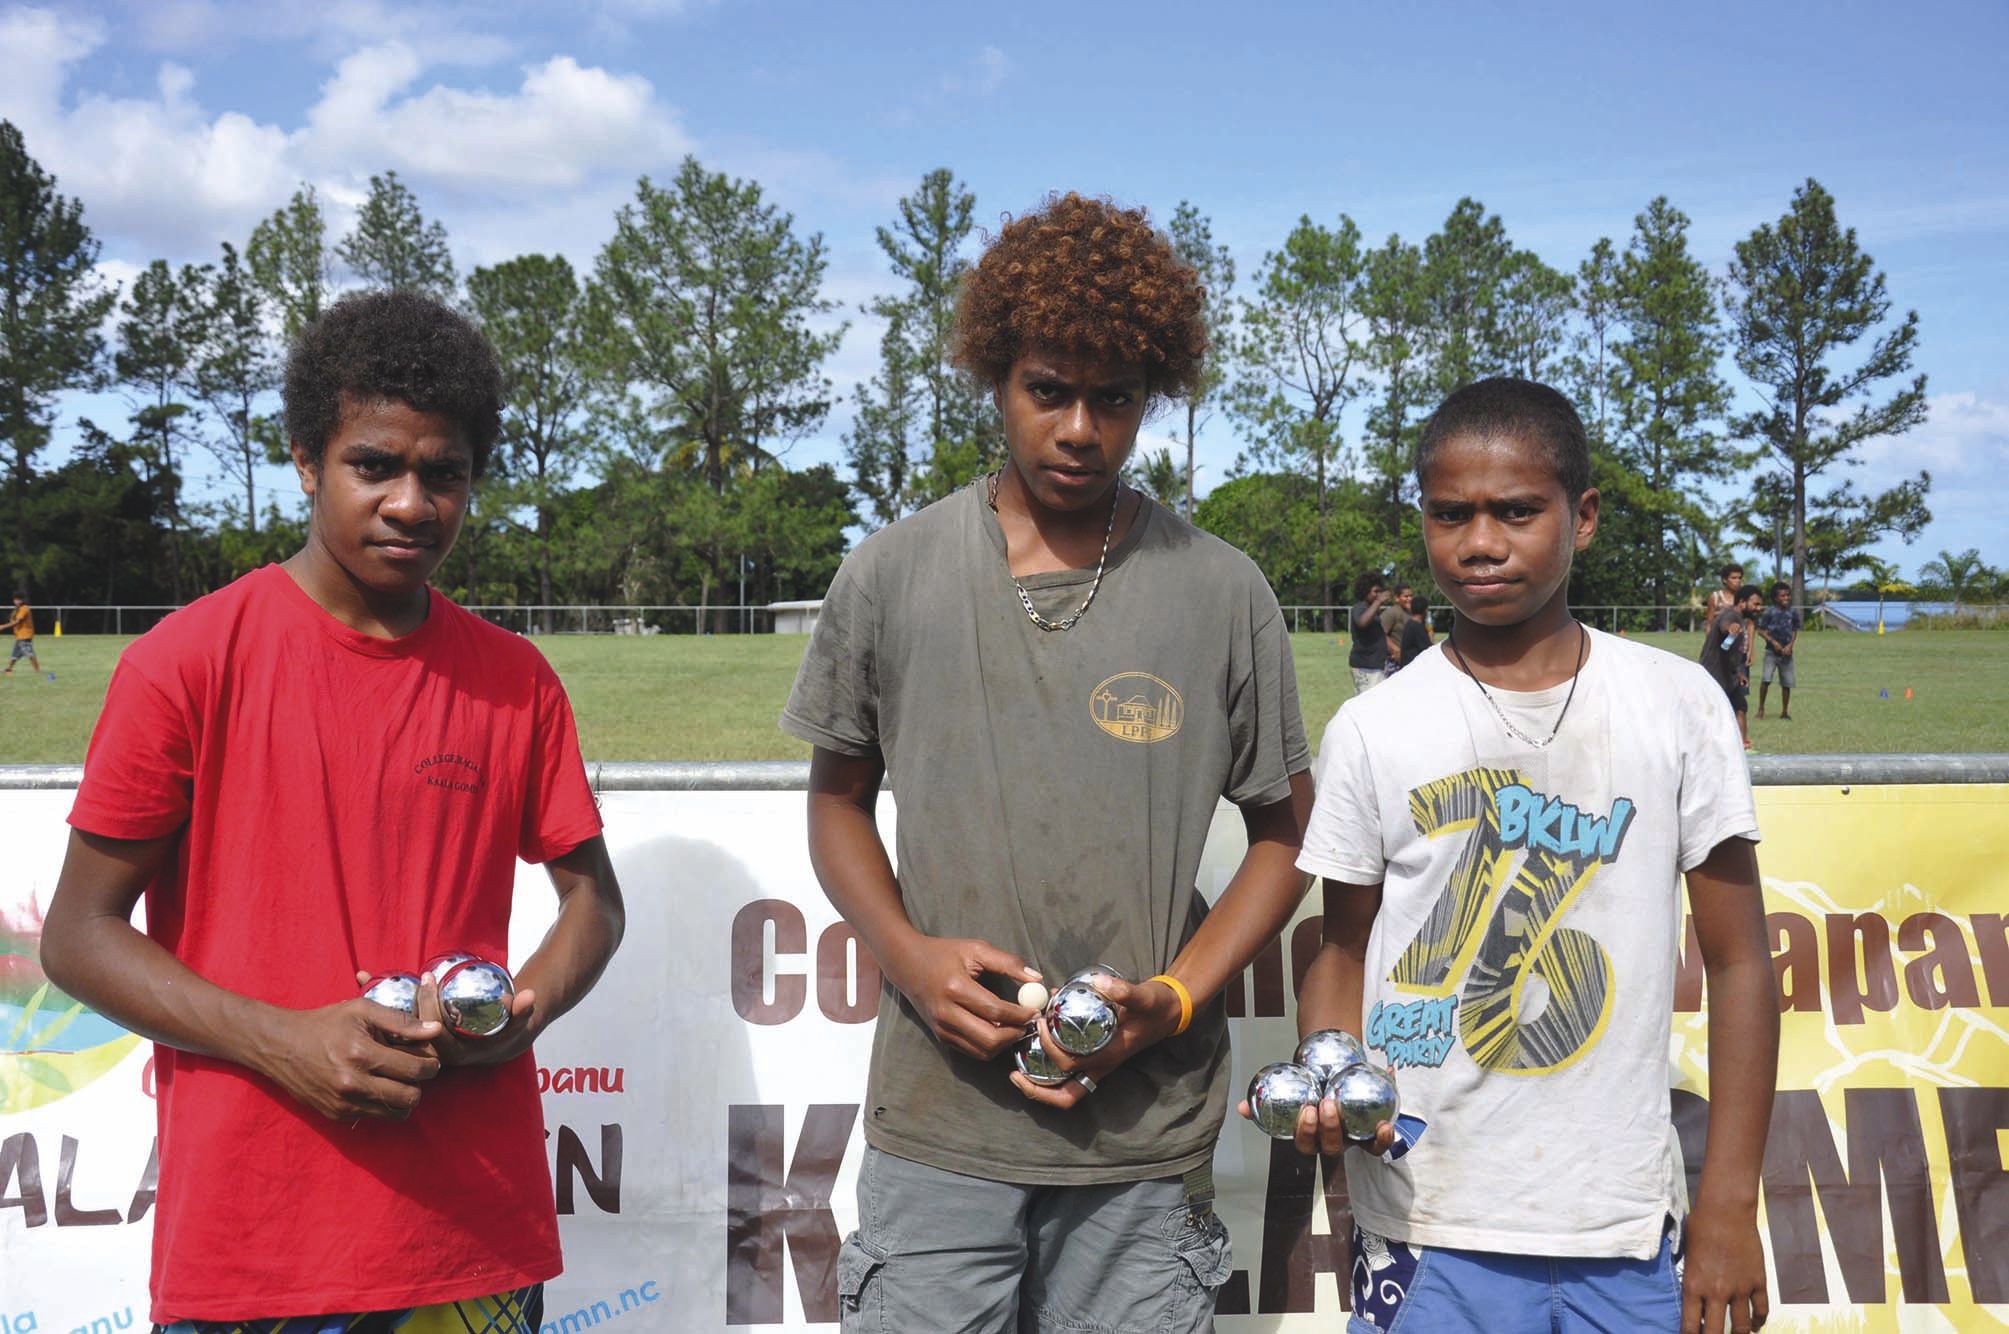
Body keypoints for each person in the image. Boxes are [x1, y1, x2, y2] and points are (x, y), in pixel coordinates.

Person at [39, 291, 626, 1331]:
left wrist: (516, 1018)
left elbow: (594, 904)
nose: (411, 503)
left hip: (471, 1236)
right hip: (257, 1246)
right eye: (374, 465)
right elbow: (78, 935)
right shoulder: (185, 662)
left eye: (443, 474)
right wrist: (281, 1040)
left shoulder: (516, 681)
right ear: (306, 460)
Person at [781, 193, 1313, 1333]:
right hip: (940, 1124)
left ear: (1151, 395)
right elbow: (835, 805)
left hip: (1140, 1136)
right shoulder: (891, 572)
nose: (1079, 427)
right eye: (1048, 390)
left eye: (1113, 397)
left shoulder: (1221, 591)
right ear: (994, 378)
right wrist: (910, 958)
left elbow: (1286, 836)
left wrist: (1170, 1001)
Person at [1278, 378, 1776, 1334]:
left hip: (1624, 1224)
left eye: (1515, 512)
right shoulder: (1373, 727)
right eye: (1449, 514)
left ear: (1580, 517)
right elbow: (1341, 950)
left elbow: (1740, 963)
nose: (1479, 543)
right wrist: (1333, 1079)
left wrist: (1726, 1205)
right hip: (1427, 1222)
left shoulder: (1675, 705)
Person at [1703, 585, 1764, 750]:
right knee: (1715, 712)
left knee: (1740, 707)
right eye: (1755, 604)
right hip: (1715, 674)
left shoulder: (1741, 620)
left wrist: (1739, 672)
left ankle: (1742, 747)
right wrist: (1729, 628)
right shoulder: (1731, 615)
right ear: (1742, 602)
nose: (1758, 608)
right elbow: (1725, 625)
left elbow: (1728, 648)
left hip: (1729, 673)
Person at [1756, 581, 1801, 720]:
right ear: (1775, 598)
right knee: (1766, 679)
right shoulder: (1769, 612)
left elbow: (1794, 630)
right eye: (1782, 596)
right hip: (1771, 653)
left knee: (1786, 683)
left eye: (1788, 595)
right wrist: (1773, 642)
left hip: (1787, 654)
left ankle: (1785, 712)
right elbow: (1761, 630)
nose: (1786, 598)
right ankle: (1761, 709)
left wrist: (1790, 645)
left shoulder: (1793, 612)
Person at [1349, 571, 1392, 692]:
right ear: (1365, 591)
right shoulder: (1359, 607)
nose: (1378, 595)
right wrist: (1378, 602)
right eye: (1375, 591)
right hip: (1365, 665)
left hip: (1375, 665)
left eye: (1380, 592)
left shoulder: (1371, 609)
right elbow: (1362, 622)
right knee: (1369, 700)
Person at [6, 593, 47, 679]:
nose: (16, 601)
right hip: (19, 635)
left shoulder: (24, 608)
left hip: (25, 635)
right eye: (15, 599)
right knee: (14, 655)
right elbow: (13, 620)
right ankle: (8, 669)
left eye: (18, 599)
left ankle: (38, 671)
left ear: (22, 600)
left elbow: (18, 621)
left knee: (30, 654)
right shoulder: (17, 609)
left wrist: (3, 626)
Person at [1380, 583, 1414, 672]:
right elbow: (1381, 634)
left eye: (1411, 596)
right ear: (1397, 598)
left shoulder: (1413, 613)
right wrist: (1396, 650)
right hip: (1394, 661)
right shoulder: (1391, 613)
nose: (1409, 599)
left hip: (1410, 659)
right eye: (1406, 596)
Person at [1703, 563, 1743, 634]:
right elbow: (1709, 624)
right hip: (1719, 638)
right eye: (1733, 578)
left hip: (1739, 638)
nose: (1737, 581)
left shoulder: (1743, 598)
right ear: (1724, 580)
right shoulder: (1716, 597)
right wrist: (1709, 640)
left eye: (1739, 578)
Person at [1395, 598, 1434, 671]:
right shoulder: (1417, 627)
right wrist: (1430, 633)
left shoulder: (1410, 623)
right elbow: (1428, 650)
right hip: (1413, 668)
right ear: (1425, 610)